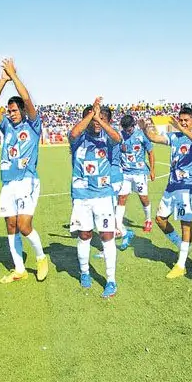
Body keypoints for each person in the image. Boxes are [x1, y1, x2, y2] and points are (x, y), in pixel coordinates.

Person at [0, 57, 49, 283]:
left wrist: (14, 76)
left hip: (27, 180)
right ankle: (19, 268)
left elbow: (27, 98)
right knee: (10, 225)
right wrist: (2, 80)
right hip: (8, 183)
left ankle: (41, 257)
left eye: (13, 110)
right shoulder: (6, 126)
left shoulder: (32, 124)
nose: (10, 113)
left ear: (21, 110)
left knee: (24, 225)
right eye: (9, 110)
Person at [140, 106, 192, 279]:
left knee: (186, 223)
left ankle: (181, 264)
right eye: (181, 120)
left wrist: (183, 129)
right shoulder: (174, 137)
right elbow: (154, 137)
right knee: (160, 219)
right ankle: (182, 244)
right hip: (172, 186)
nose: (183, 123)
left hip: (188, 186)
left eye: (186, 121)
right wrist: (144, 128)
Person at [68, 98, 122, 298]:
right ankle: (84, 273)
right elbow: (73, 133)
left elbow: (117, 138)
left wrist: (99, 117)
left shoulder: (109, 141)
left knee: (107, 237)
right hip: (82, 197)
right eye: (92, 118)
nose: (96, 122)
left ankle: (111, 280)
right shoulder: (77, 140)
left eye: (100, 118)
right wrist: (92, 114)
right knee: (84, 236)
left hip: (103, 197)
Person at [116, 114, 156, 247]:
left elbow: (150, 152)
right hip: (125, 173)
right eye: (125, 129)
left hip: (139, 173)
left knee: (143, 198)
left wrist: (152, 170)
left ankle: (148, 219)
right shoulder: (119, 136)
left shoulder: (141, 135)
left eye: (130, 129)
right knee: (121, 198)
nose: (128, 132)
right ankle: (118, 226)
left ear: (134, 126)